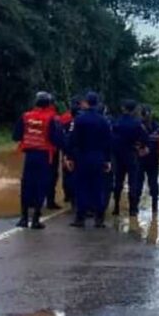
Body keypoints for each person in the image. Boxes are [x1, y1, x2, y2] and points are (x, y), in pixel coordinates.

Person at [12, 92, 65, 230]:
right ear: (49, 104)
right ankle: (35, 219)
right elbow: (58, 140)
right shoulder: (53, 118)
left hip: (29, 156)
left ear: (35, 103)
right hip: (44, 156)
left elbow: (16, 136)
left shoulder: (26, 116)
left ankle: (23, 218)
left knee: (26, 185)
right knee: (40, 186)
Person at [67, 92, 112, 229]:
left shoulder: (79, 120)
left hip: (82, 157)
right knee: (98, 187)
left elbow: (73, 140)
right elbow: (108, 142)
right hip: (98, 157)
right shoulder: (103, 120)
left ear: (86, 103)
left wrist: (70, 157)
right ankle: (99, 219)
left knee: (82, 187)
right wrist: (107, 160)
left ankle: (80, 218)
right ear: (97, 103)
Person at [111, 99, 148, 216]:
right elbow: (145, 138)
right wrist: (140, 146)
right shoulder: (137, 124)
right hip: (131, 154)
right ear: (134, 110)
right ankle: (133, 209)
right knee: (133, 182)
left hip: (118, 155)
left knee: (118, 182)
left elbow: (112, 138)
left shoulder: (116, 122)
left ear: (123, 108)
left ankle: (116, 208)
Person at [139, 105, 159, 213]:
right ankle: (155, 207)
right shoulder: (158, 128)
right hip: (154, 159)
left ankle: (134, 209)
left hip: (140, 159)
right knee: (153, 182)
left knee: (138, 182)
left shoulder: (138, 126)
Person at [59, 96, 82, 208]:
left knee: (67, 173)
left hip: (66, 150)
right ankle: (76, 198)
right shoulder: (81, 119)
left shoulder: (63, 117)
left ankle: (68, 195)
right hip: (79, 151)